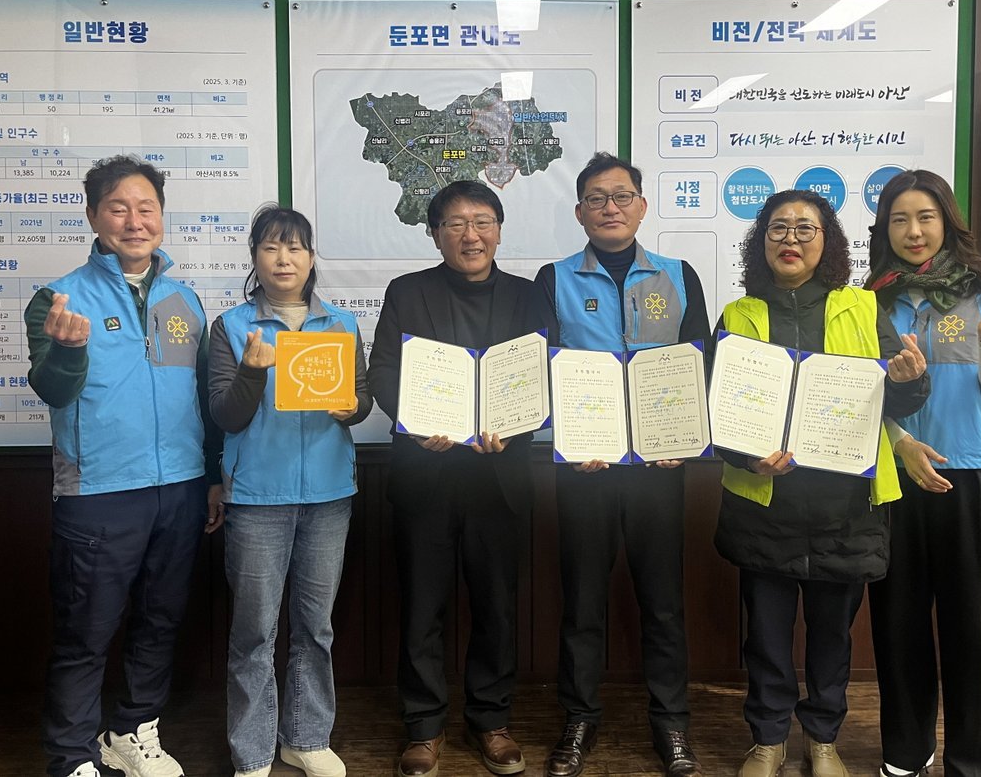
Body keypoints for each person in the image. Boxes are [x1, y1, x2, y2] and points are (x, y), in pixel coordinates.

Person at [712, 189, 929, 777]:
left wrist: (909, 378)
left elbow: (897, 400)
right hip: (766, 506)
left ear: (826, 242)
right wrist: (749, 457)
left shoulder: (862, 308)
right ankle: (768, 740)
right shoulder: (738, 315)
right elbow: (718, 411)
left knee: (833, 637)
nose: (791, 239)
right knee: (766, 637)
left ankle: (823, 740)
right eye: (778, 228)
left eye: (805, 229)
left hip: (845, 508)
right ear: (760, 242)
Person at [25, 155, 223, 777]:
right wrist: (68, 349)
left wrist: (211, 477)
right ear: (93, 216)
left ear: (161, 217)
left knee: (160, 621)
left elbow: (202, 400)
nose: (134, 221)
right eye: (118, 208)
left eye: (146, 208)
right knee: (85, 633)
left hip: (181, 490)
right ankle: (71, 755)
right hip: (99, 493)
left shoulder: (184, 301)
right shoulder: (58, 299)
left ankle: (132, 730)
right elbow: (52, 391)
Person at [534, 152, 709, 777]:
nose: (610, 208)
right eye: (597, 199)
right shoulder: (553, 279)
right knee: (582, 602)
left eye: (621, 196)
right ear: (580, 212)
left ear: (641, 206)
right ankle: (579, 719)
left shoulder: (678, 274)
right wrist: (570, 435)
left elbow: (698, 363)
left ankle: (672, 724)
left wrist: (685, 436)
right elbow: (542, 369)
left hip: (660, 468)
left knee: (663, 602)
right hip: (585, 467)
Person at [367, 180, 538, 777]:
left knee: (497, 607)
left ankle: (491, 720)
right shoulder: (407, 291)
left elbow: (543, 371)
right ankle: (423, 726)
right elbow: (383, 369)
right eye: (457, 224)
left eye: (483, 221)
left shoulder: (528, 295)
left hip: (500, 476)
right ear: (434, 233)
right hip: (427, 474)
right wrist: (415, 422)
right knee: (422, 608)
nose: (471, 235)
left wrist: (515, 426)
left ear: (499, 230)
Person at [864, 170, 981, 777]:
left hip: (975, 472)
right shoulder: (871, 300)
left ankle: (975, 763)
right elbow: (861, 395)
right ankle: (906, 754)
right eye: (900, 219)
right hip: (896, 476)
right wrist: (901, 444)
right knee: (898, 622)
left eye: (925, 217)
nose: (914, 231)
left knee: (977, 628)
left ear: (947, 223)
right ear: (884, 229)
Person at [209, 206, 371, 777]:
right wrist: (253, 371)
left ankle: (306, 737)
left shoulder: (341, 325)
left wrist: (354, 407)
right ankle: (253, 751)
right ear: (255, 257)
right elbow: (224, 415)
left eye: (295, 247)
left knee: (315, 627)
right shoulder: (232, 326)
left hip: (329, 493)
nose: (284, 259)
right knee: (254, 631)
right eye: (272, 248)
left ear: (310, 257)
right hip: (258, 497)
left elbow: (362, 398)